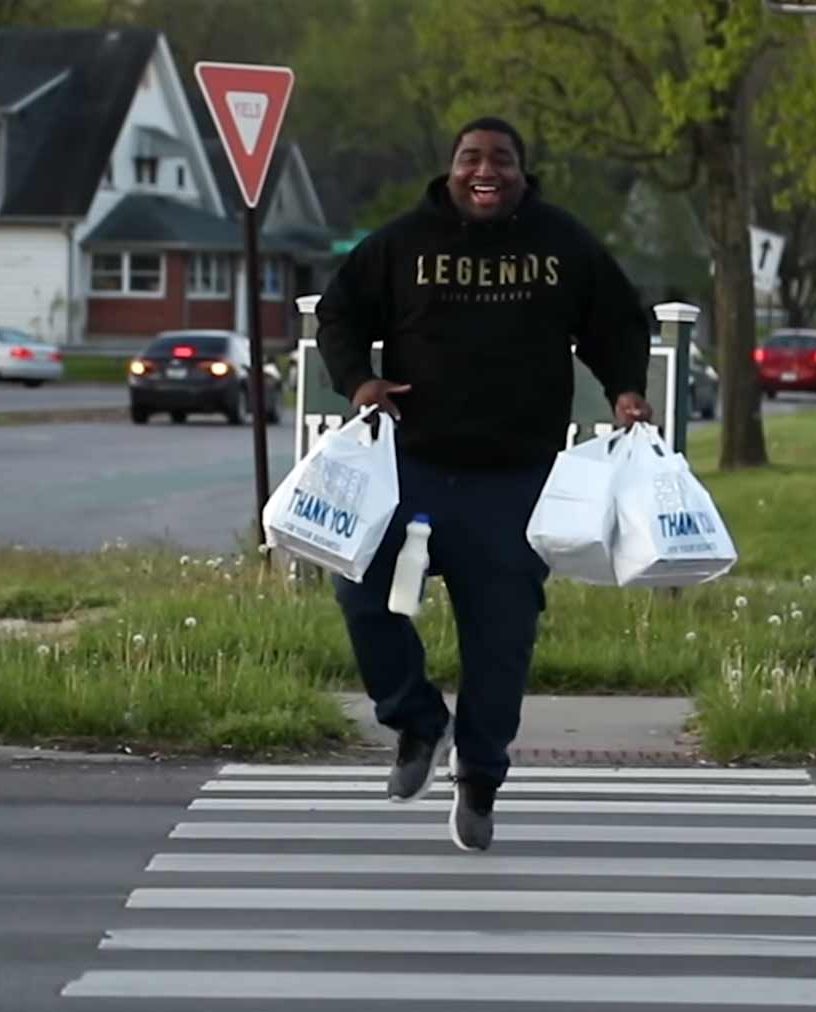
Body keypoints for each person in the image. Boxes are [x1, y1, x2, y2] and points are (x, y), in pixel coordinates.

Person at [315, 116, 653, 851]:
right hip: (412, 469)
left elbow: (617, 322)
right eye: (471, 158)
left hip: (515, 479)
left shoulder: (562, 244)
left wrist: (626, 387)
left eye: (501, 159)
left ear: (522, 174)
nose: (485, 170)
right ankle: (415, 723)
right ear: (451, 169)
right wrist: (358, 380)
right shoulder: (403, 243)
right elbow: (338, 312)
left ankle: (480, 780)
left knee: (499, 642)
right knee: (360, 585)